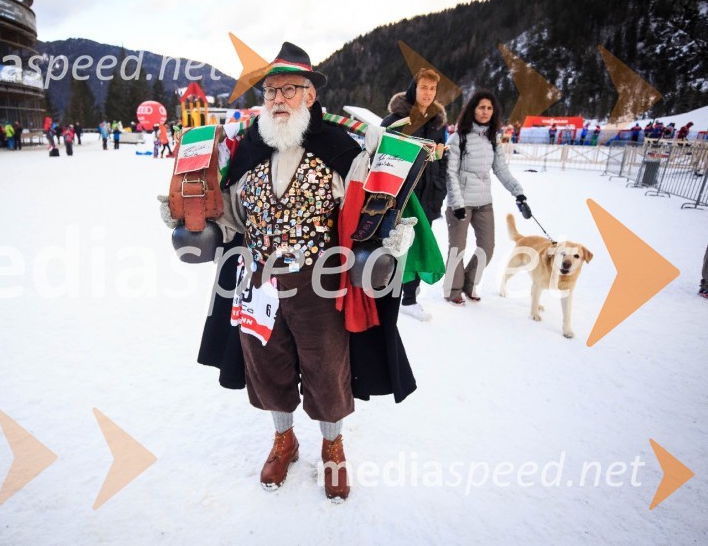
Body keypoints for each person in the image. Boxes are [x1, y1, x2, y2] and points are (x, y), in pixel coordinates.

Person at [163, 42, 434, 502]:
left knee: (327, 368)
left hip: (320, 281)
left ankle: (332, 444)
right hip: (257, 280)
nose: (278, 99)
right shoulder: (246, 151)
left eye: (290, 89)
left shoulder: (340, 150)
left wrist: (391, 237)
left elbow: (372, 210)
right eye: (271, 90)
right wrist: (187, 216)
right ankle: (284, 439)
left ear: (310, 95)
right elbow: (227, 216)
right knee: (266, 366)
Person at [444, 90, 530, 305]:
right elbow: (450, 172)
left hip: (484, 203)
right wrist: (457, 203)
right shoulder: (459, 138)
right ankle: (453, 288)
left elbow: (501, 169)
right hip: (461, 203)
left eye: (489, 108)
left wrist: (518, 192)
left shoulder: (493, 139)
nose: (485, 111)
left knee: (487, 247)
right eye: (481, 107)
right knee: (458, 248)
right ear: (472, 109)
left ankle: (469, 283)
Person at [381, 68, 448, 321]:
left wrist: (439, 188)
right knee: (396, 244)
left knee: (419, 244)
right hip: (402, 196)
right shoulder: (396, 119)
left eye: (433, 89)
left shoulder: (437, 123)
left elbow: (442, 158)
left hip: (429, 194)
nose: (428, 93)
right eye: (424, 87)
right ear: (414, 89)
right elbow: (380, 154)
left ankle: (409, 297)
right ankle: (395, 295)